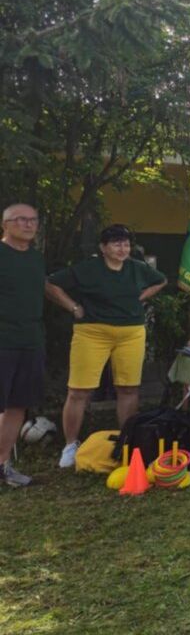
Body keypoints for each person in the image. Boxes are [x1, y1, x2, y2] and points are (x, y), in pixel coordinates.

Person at [46, 224, 167, 468]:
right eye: (116, 243)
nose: (123, 248)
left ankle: (127, 440)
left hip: (131, 333)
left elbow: (161, 280)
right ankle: (70, 445)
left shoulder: (137, 268)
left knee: (129, 388)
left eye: (126, 244)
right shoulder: (88, 268)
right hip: (92, 332)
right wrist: (74, 307)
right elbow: (51, 284)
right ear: (103, 247)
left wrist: (141, 297)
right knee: (78, 390)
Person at [0, 204, 49, 488]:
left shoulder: (35, 258)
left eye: (33, 220)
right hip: (3, 341)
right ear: (5, 224)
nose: (29, 224)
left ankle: (3, 464)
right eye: (21, 220)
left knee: (18, 405)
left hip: (31, 341)